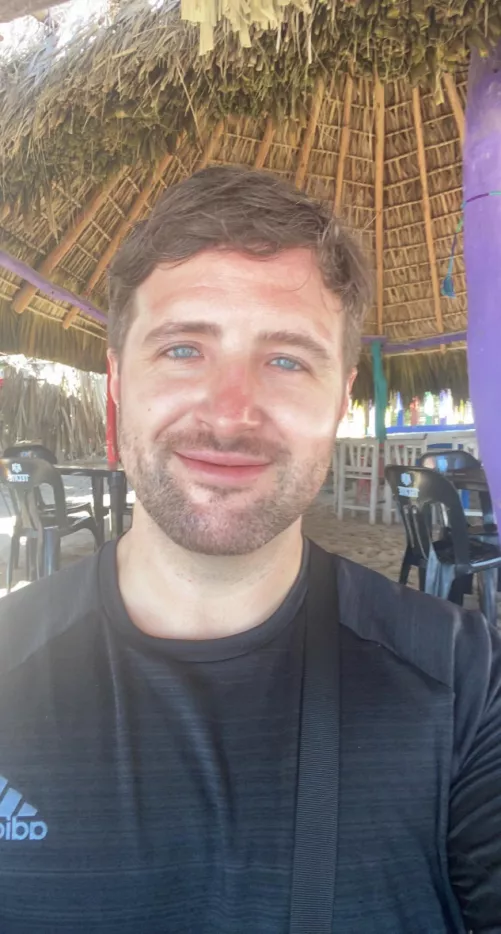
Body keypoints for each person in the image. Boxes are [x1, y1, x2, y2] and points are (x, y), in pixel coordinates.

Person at [0, 166, 499, 934]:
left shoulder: (464, 683)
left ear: (337, 404)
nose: (230, 413)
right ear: (116, 386)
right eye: (182, 350)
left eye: (286, 359)